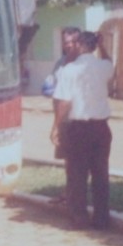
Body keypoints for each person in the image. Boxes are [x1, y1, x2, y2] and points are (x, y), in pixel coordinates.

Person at [50, 31, 114, 230]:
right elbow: (109, 61)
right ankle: (101, 217)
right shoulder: (104, 67)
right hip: (101, 127)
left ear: (78, 45)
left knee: (77, 174)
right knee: (101, 173)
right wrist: (102, 45)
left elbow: (65, 103)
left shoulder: (69, 70)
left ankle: (80, 217)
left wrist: (56, 126)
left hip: (79, 129)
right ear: (95, 46)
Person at [43, 27, 81, 205]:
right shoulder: (60, 63)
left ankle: (75, 197)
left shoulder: (84, 64)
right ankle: (68, 193)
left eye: (72, 42)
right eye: (66, 42)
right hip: (62, 119)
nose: (69, 46)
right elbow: (52, 83)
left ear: (79, 43)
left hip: (77, 120)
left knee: (78, 161)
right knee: (68, 159)